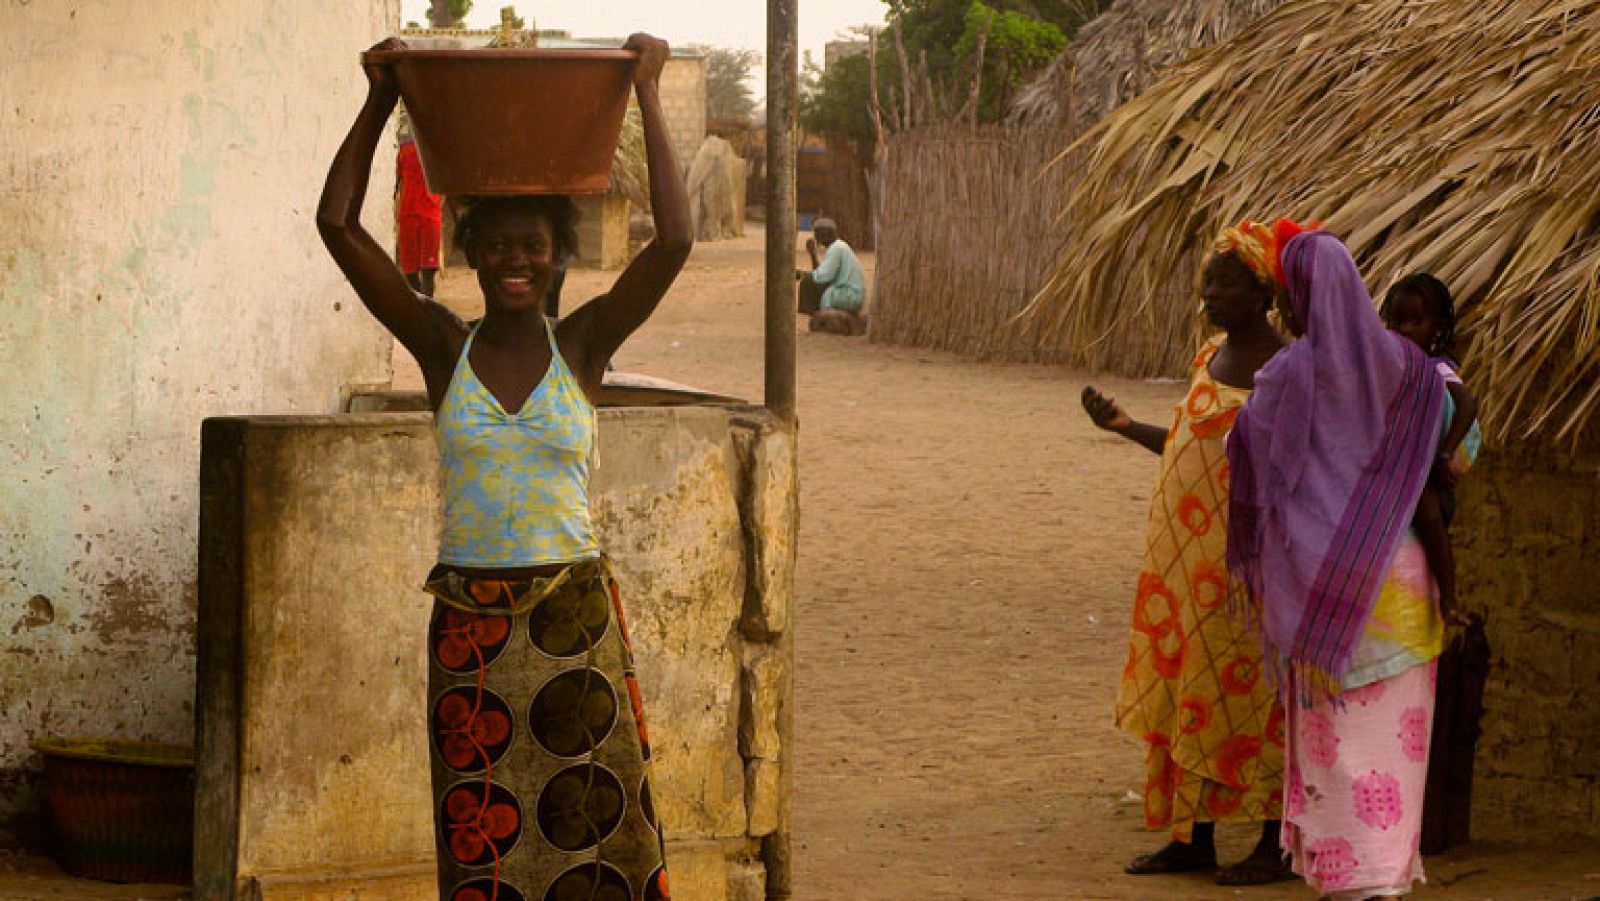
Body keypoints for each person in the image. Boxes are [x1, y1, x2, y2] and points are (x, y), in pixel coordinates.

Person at [317, 33, 691, 901]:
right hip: (470, 629)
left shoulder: (587, 345)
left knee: (596, 835)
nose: (516, 260)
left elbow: (674, 239)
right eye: (497, 246)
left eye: (534, 246)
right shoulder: (443, 348)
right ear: (470, 254)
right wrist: (381, 99)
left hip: (575, 623)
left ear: (559, 256)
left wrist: (649, 93)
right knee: (483, 848)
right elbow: (337, 225)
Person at [1227, 230, 1467, 900]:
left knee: (1338, 748)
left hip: (1326, 598)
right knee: (1396, 745)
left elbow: (1247, 457)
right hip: (1406, 593)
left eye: (1285, 298)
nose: (1284, 312)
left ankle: (1345, 879)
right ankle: (1383, 878)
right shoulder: (1412, 371)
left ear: (1303, 298)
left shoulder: (1287, 375)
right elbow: (1463, 440)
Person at [1081, 221, 1293, 886]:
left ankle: (1271, 843)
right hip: (1181, 573)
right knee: (1187, 696)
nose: (1210, 293)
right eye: (1207, 281)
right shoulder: (1210, 357)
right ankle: (1191, 835)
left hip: (1243, 574)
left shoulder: (1283, 372)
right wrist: (1122, 427)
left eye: (1226, 283)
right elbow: (1183, 443)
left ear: (1262, 294)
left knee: (1253, 698)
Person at [395, 121, 443, 297]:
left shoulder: (437, 150)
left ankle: (427, 306)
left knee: (427, 270)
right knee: (410, 270)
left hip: (428, 215)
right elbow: (398, 184)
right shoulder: (404, 150)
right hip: (410, 215)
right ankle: (421, 305)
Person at [795, 217, 867, 334]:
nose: (816, 238)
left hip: (848, 295)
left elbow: (822, 277)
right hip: (847, 293)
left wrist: (801, 274)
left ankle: (820, 317)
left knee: (807, 283)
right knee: (811, 280)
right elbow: (822, 274)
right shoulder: (837, 247)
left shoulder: (837, 249)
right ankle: (819, 318)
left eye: (818, 234)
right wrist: (813, 254)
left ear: (826, 234)